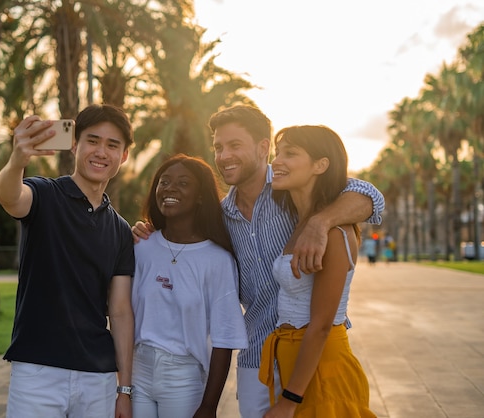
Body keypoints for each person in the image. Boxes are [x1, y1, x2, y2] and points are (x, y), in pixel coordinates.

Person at [133, 105, 384, 418]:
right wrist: (147, 231)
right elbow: (179, 232)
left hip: (312, 353)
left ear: (263, 147)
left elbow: (371, 196)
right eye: (218, 148)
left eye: (234, 146)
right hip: (256, 357)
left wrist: (321, 222)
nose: (223, 156)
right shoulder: (219, 216)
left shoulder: (293, 188)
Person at [0, 104, 135, 418]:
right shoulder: (44, 194)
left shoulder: (121, 230)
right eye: (93, 140)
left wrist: (124, 389)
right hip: (37, 373)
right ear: (75, 144)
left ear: (123, 156)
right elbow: (10, 197)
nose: (101, 152)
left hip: (98, 379)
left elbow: (121, 311)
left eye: (112, 145)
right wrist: (18, 159)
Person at [259, 125, 376, 417]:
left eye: (291, 153)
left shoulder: (334, 231)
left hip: (323, 369)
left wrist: (289, 400)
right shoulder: (302, 222)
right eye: (278, 153)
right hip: (295, 363)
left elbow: (322, 324)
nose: (278, 161)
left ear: (321, 165)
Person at [131, 154, 248, 418]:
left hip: (183, 377)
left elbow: (224, 339)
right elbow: (120, 311)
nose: (170, 188)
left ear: (200, 196)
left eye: (183, 183)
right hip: (137, 371)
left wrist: (209, 406)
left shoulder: (217, 259)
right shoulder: (141, 247)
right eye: (164, 182)